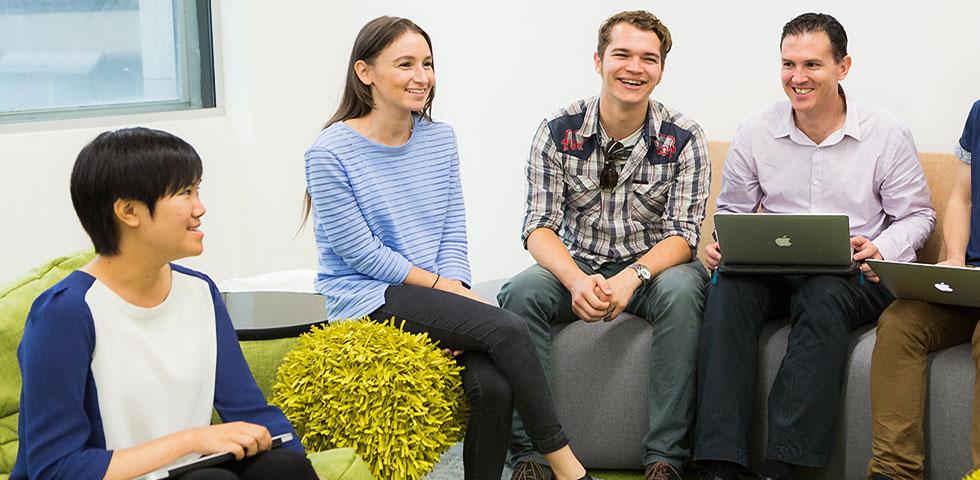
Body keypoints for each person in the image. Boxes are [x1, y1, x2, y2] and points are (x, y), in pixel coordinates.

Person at [302, 16, 592, 480]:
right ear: (365, 72)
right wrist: (447, 296)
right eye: (405, 64)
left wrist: (451, 296)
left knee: (494, 385)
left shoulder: (440, 139)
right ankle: (569, 468)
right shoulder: (329, 152)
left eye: (428, 64)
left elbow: (452, 230)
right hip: (367, 296)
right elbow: (361, 254)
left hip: (431, 291)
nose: (422, 77)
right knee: (511, 329)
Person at [692, 13, 935, 480]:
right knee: (726, 290)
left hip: (853, 274)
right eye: (788, 64)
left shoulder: (885, 133)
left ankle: (785, 463)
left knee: (823, 293)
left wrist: (881, 247)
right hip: (773, 268)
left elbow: (918, 215)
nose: (797, 78)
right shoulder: (755, 130)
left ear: (843, 67)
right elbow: (734, 214)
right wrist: (720, 245)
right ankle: (719, 462)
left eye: (811, 65)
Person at [12, 127, 317, 480]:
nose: (200, 208)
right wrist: (191, 439)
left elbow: (252, 412)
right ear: (129, 211)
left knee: (284, 468)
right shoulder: (64, 314)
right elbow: (55, 469)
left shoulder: (200, 292)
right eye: (185, 193)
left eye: (198, 190)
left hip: (183, 472)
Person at [497, 10, 711, 480]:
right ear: (598, 60)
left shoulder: (685, 137)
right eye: (623, 54)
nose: (635, 68)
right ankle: (530, 456)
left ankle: (665, 459)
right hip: (578, 262)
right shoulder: (558, 131)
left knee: (684, 292)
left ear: (661, 69)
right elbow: (538, 226)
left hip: (655, 268)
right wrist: (574, 280)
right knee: (519, 293)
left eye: (648, 58)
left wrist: (633, 278)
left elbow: (684, 234)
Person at [865, 101, 980, 480]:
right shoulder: (979, 112)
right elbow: (961, 197)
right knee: (900, 322)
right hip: (969, 280)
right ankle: (892, 472)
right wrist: (955, 258)